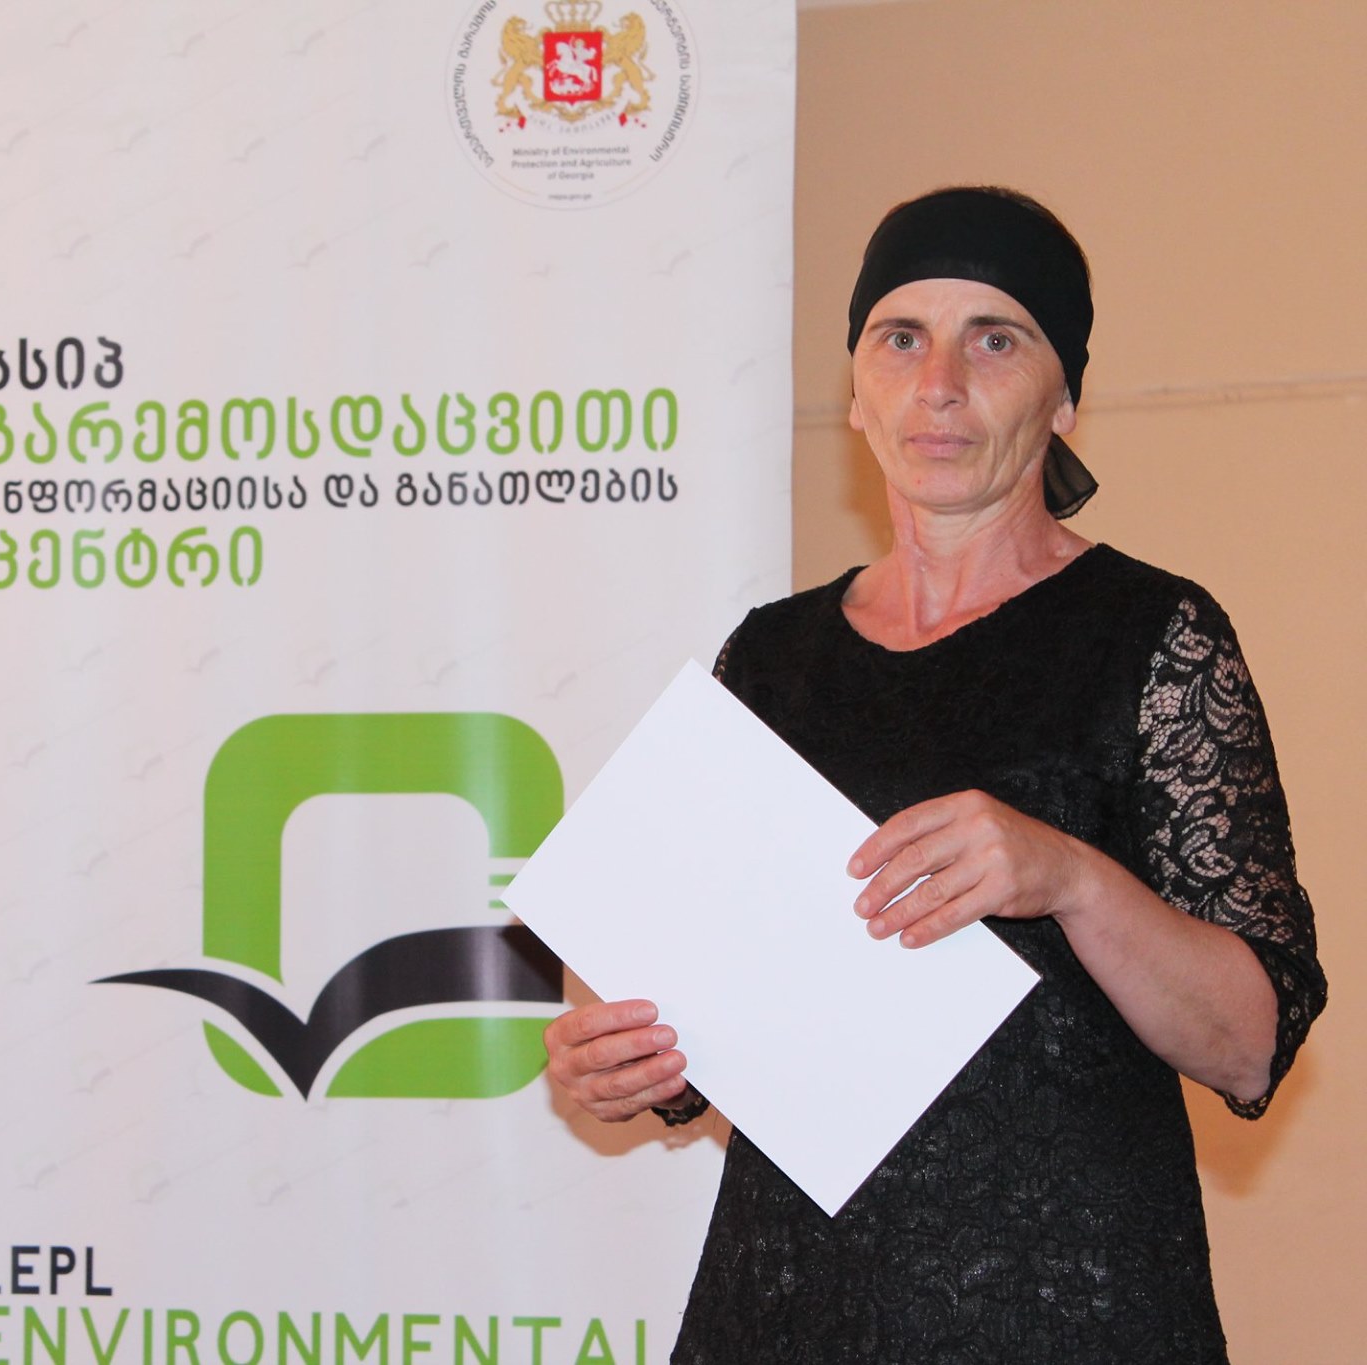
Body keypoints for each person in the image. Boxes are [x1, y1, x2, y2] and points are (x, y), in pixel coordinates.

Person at [543, 186, 1324, 1363]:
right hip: (790, 1305)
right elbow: (709, 1006)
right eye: (898, 338)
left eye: (993, 339)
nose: (939, 383)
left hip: (1065, 1312)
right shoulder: (771, 657)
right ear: (856, 393)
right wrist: (630, 1056)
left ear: (1064, 397)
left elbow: (1245, 1044)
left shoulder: (1152, 635)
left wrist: (1068, 876)